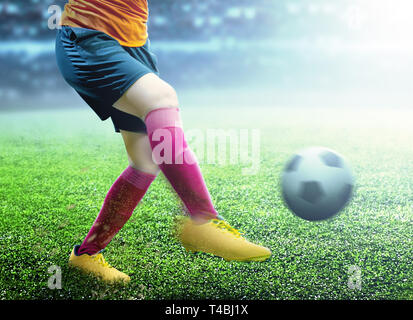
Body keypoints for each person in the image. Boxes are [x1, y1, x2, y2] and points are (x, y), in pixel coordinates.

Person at [55, 0, 271, 283]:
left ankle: (86, 254)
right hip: (88, 36)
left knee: (144, 161)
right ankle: (202, 219)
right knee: (162, 98)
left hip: (132, 44)